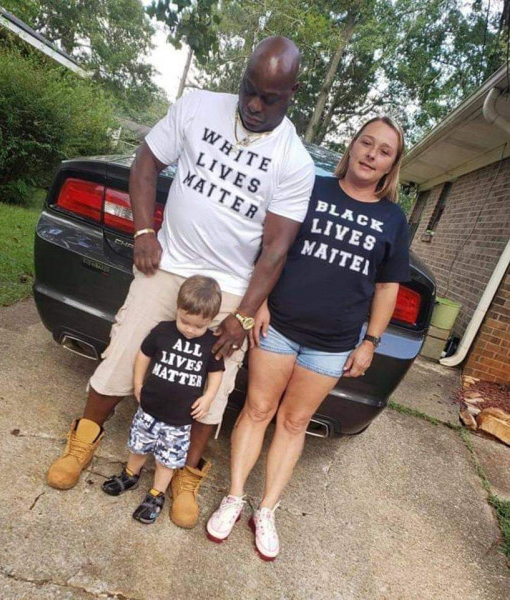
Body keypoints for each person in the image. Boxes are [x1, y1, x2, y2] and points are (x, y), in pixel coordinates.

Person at [46, 35, 316, 530]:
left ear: (292, 92)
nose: (254, 105)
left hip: (231, 286)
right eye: (248, 90)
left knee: (209, 387)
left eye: (269, 98)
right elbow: (146, 162)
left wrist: (242, 314)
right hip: (167, 266)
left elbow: (276, 247)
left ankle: (187, 476)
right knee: (125, 351)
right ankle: (83, 442)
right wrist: (146, 229)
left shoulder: (294, 160)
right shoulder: (197, 107)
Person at [206, 117, 410, 560]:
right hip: (278, 324)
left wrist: (370, 341)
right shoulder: (313, 188)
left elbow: (387, 287)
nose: (371, 154)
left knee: (295, 422)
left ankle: (267, 509)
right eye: (366, 143)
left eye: (384, 151)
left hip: (334, 342)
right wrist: (258, 302)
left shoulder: (393, 219)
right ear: (352, 145)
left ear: (392, 165)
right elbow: (274, 244)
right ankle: (235, 498)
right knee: (258, 409)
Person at [101, 276, 224, 524]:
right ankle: (130, 474)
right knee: (138, 445)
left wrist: (209, 397)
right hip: (149, 408)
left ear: (211, 320)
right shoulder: (163, 331)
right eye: (185, 321)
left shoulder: (210, 344)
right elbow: (144, 354)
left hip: (179, 420)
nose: (190, 329)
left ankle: (156, 494)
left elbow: (216, 373)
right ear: (177, 308)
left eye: (198, 326)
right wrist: (137, 383)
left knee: (167, 459)